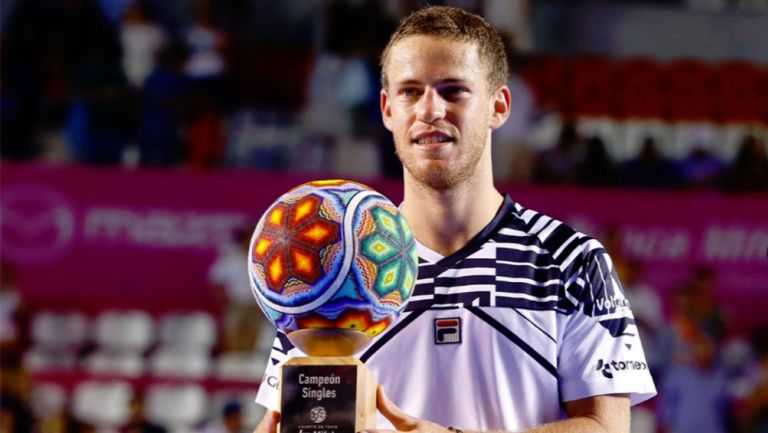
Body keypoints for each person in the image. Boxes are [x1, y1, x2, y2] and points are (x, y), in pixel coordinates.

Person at [255, 6, 656, 432]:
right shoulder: (333, 262)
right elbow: (280, 422)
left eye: (453, 91)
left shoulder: (571, 260)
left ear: (498, 107)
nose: (430, 109)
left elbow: (606, 426)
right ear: (388, 110)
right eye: (410, 92)